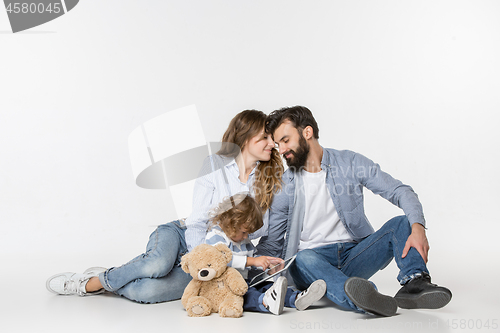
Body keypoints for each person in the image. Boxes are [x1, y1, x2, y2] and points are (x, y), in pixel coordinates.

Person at [46, 110, 284, 304]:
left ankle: (119, 277)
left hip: (221, 256)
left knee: (147, 292)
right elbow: (198, 222)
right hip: (186, 236)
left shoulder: (271, 178)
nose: (272, 143)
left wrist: (256, 265)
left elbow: (263, 234)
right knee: (157, 265)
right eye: (264, 137)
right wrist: (199, 257)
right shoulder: (213, 164)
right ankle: (92, 282)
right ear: (244, 137)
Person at [256, 106, 452, 316]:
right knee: (303, 258)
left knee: (402, 223)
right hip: (311, 265)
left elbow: (399, 190)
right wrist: (248, 268)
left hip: (353, 255)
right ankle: (363, 298)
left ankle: (414, 283)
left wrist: (418, 227)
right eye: (278, 144)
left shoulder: (349, 162)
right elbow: (273, 241)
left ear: (307, 132)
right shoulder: (286, 185)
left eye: (285, 140)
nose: (281, 149)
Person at [205, 193, 326, 315]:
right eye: (244, 232)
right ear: (231, 222)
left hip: (246, 282)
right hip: (226, 286)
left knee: (267, 285)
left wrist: (266, 265)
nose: (246, 237)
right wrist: (252, 261)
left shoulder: (242, 240)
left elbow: (253, 258)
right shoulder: (215, 235)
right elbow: (219, 260)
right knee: (247, 294)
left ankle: (295, 298)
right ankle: (264, 302)